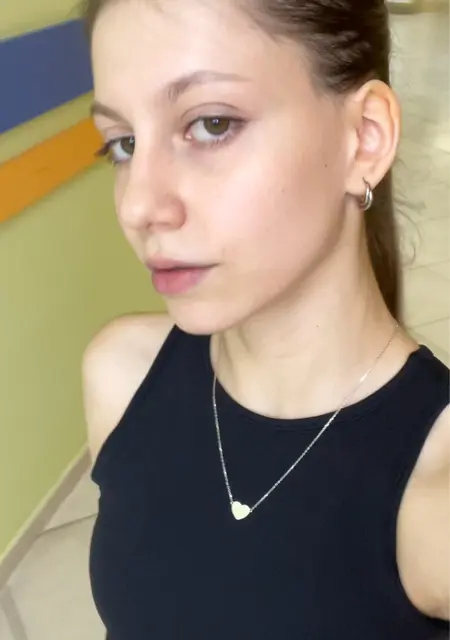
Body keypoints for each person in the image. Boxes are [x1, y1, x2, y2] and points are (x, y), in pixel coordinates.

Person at [82, 0, 450, 638]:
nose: (138, 204)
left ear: (364, 137)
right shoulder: (122, 377)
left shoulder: (434, 496)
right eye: (124, 144)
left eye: (211, 124)